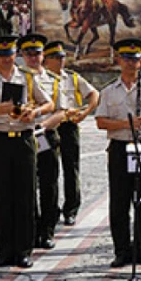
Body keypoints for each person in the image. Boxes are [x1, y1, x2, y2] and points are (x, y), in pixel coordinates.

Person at [0, 35, 53, 268]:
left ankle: (24, 250)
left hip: (24, 139)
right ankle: (4, 251)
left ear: (15, 55)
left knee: (26, 196)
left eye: (10, 55)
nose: (7, 59)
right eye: (2, 55)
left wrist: (35, 113)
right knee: (3, 196)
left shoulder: (28, 77)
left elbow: (49, 103)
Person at [96, 39, 141, 268]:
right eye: (127, 58)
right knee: (119, 202)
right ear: (118, 60)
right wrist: (125, 124)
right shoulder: (108, 92)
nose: (132, 63)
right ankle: (121, 250)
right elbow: (101, 122)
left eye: (136, 59)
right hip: (119, 148)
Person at [42, 39, 99, 226]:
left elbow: (94, 94)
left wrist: (85, 112)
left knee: (71, 167)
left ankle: (71, 208)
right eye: (55, 57)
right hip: (48, 126)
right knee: (48, 170)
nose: (60, 61)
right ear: (46, 60)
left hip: (68, 126)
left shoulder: (72, 77)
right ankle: (51, 209)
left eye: (62, 57)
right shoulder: (40, 79)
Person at [19, 33, 62, 249]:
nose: (33, 57)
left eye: (37, 53)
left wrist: (42, 125)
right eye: (29, 54)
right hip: (24, 136)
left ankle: (47, 230)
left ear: (43, 55)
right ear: (22, 56)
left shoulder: (54, 80)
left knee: (48, 184)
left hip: (45, 135)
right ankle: (31, 229)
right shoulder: (17, 78)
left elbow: (61, 112)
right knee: (27, 186)